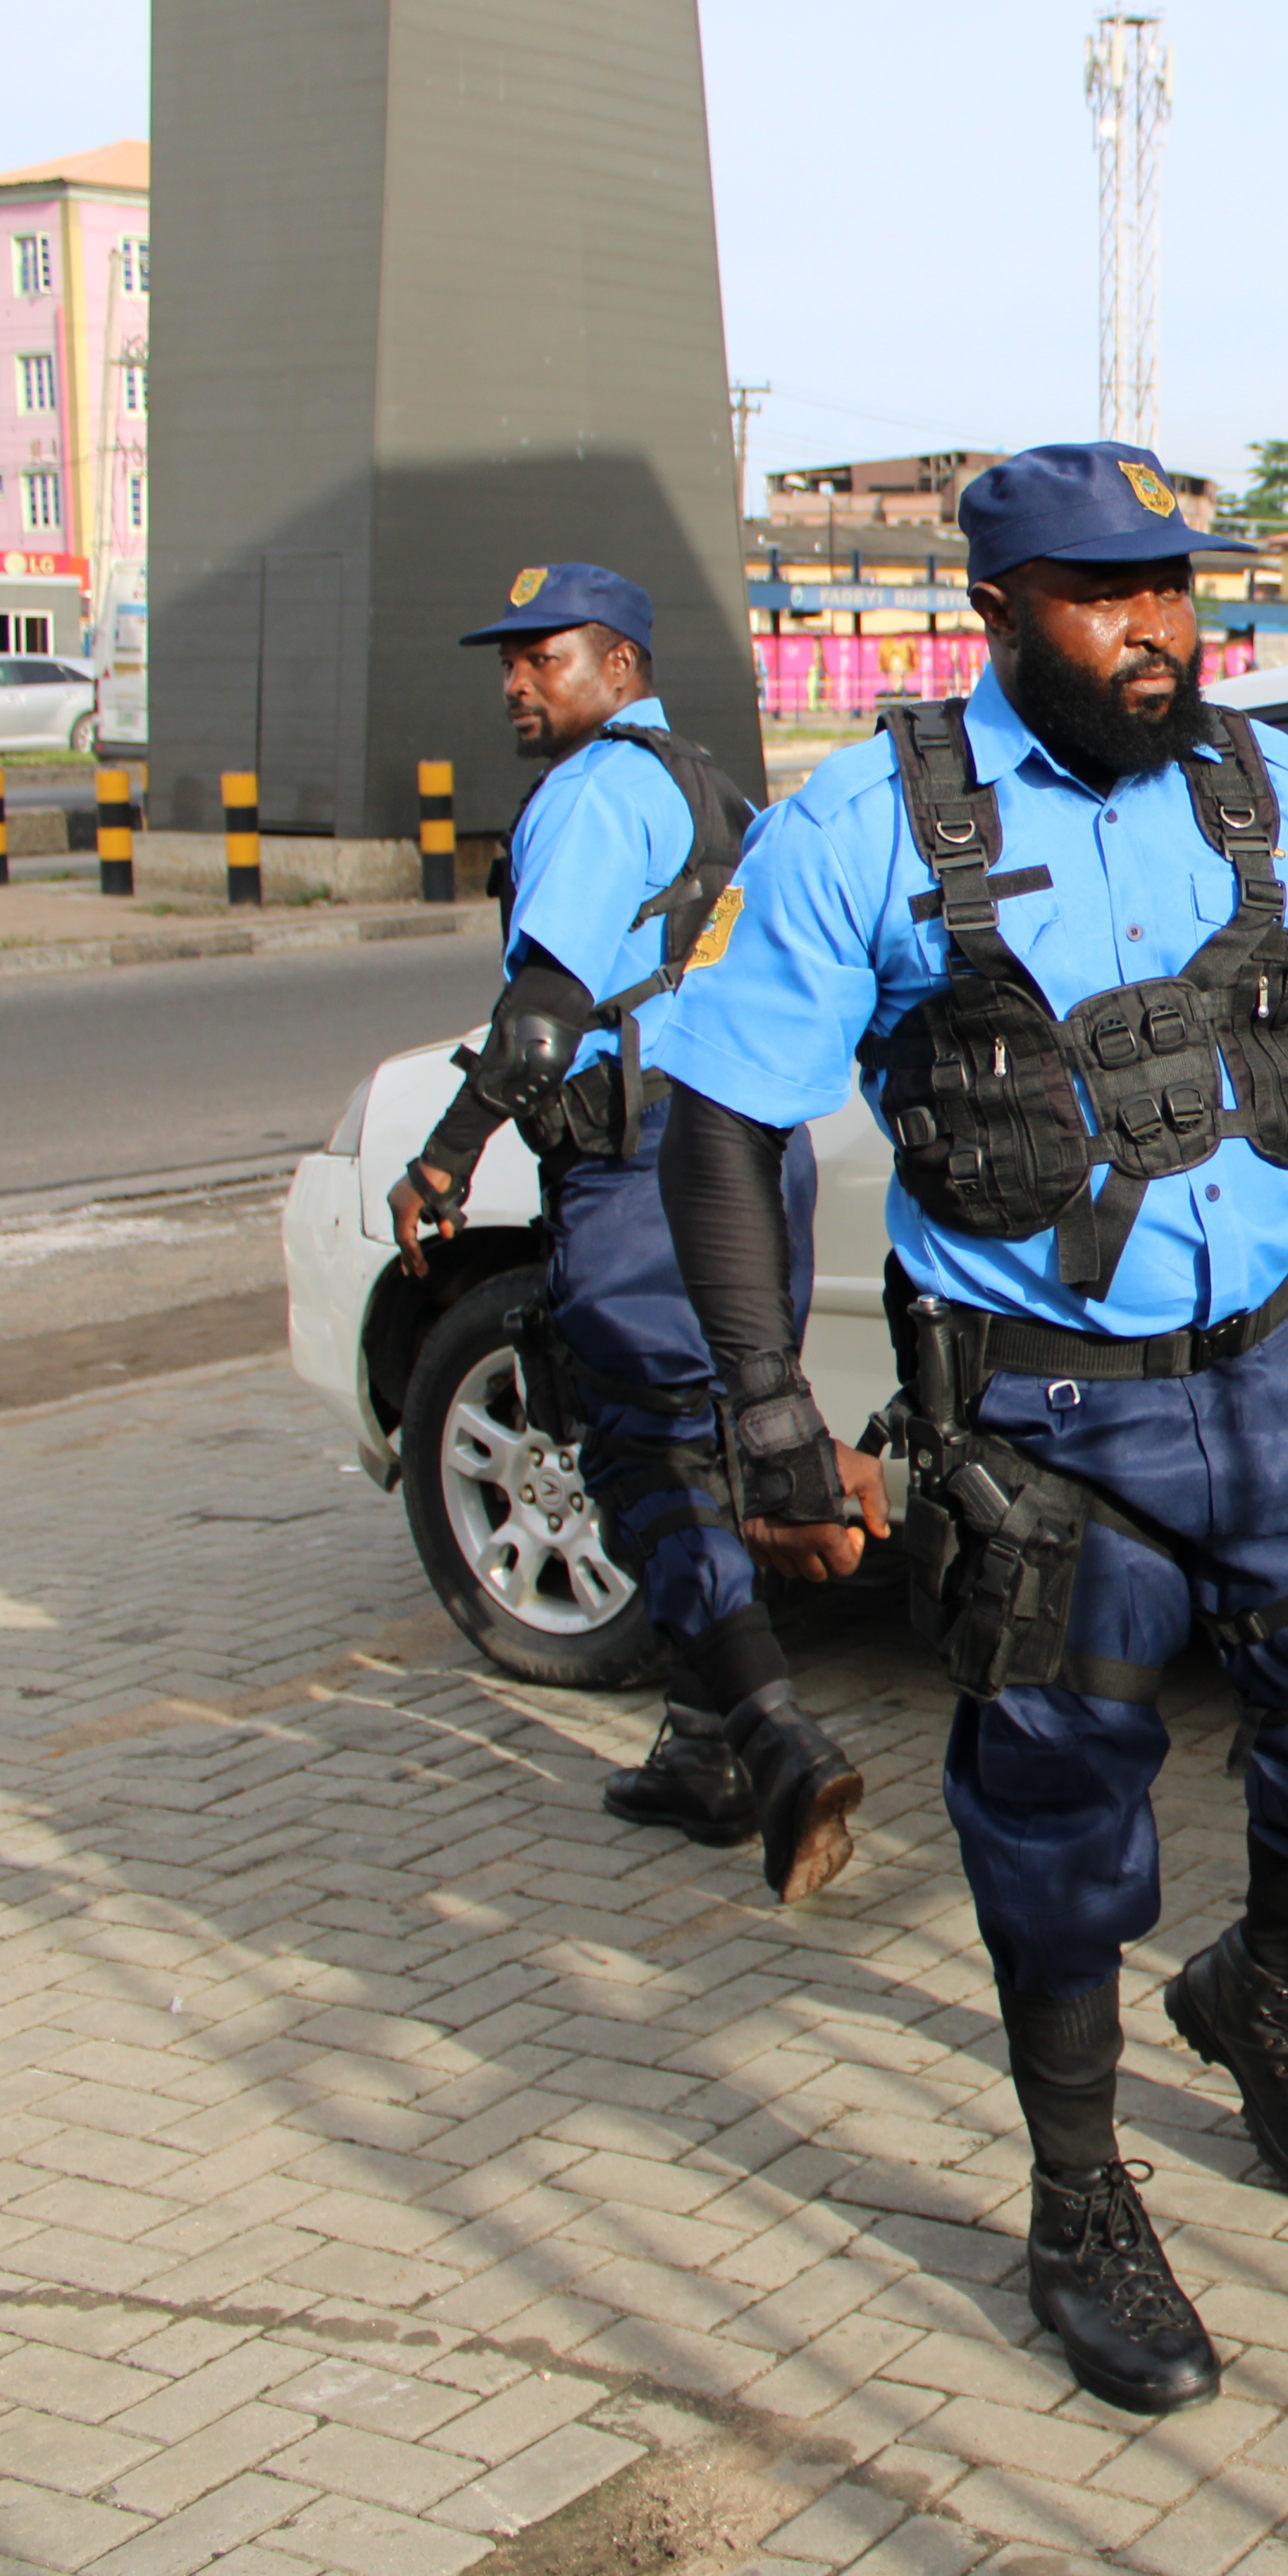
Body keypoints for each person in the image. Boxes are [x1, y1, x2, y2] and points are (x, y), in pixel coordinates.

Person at [640, 442, 1288, 2416]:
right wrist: (766, 1411)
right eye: (1102, 593)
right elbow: (717, 1126)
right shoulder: (864, 829)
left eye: (1171, 586)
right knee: (1061, 1818)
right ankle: (1077, 2202)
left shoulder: (1264, 791)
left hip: (1287, 1377)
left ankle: (1264, 1990)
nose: (1155, 627)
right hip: (1047, 1415)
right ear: (996, 610)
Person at [388, 562, 865, 1905]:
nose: (516, 682)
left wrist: (444, 1156)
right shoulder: (719, 789)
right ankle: (705, 1753)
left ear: (622, 665)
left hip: (643, 1164)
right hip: (751, 1153)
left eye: (545, 657)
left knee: (643, 1452)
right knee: (720, 1437)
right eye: (510, 660)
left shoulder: (596, 792)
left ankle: (775, 1741)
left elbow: (543, 1023)